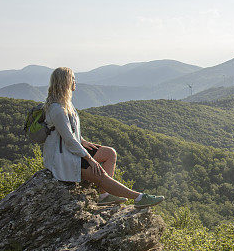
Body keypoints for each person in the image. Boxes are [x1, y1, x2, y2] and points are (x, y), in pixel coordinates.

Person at [42, 66, 165, 207]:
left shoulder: (66, 104)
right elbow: (69, 140)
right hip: (64, 158)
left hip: (72, 151)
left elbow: (69, 131)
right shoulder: (57, 108)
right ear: (65, 82)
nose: (75, 81)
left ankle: (104, 195)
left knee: (109, 153)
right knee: (100, 174)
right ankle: (139, 198)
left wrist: (82, 140)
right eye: (73, 79)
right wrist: (90, 159)